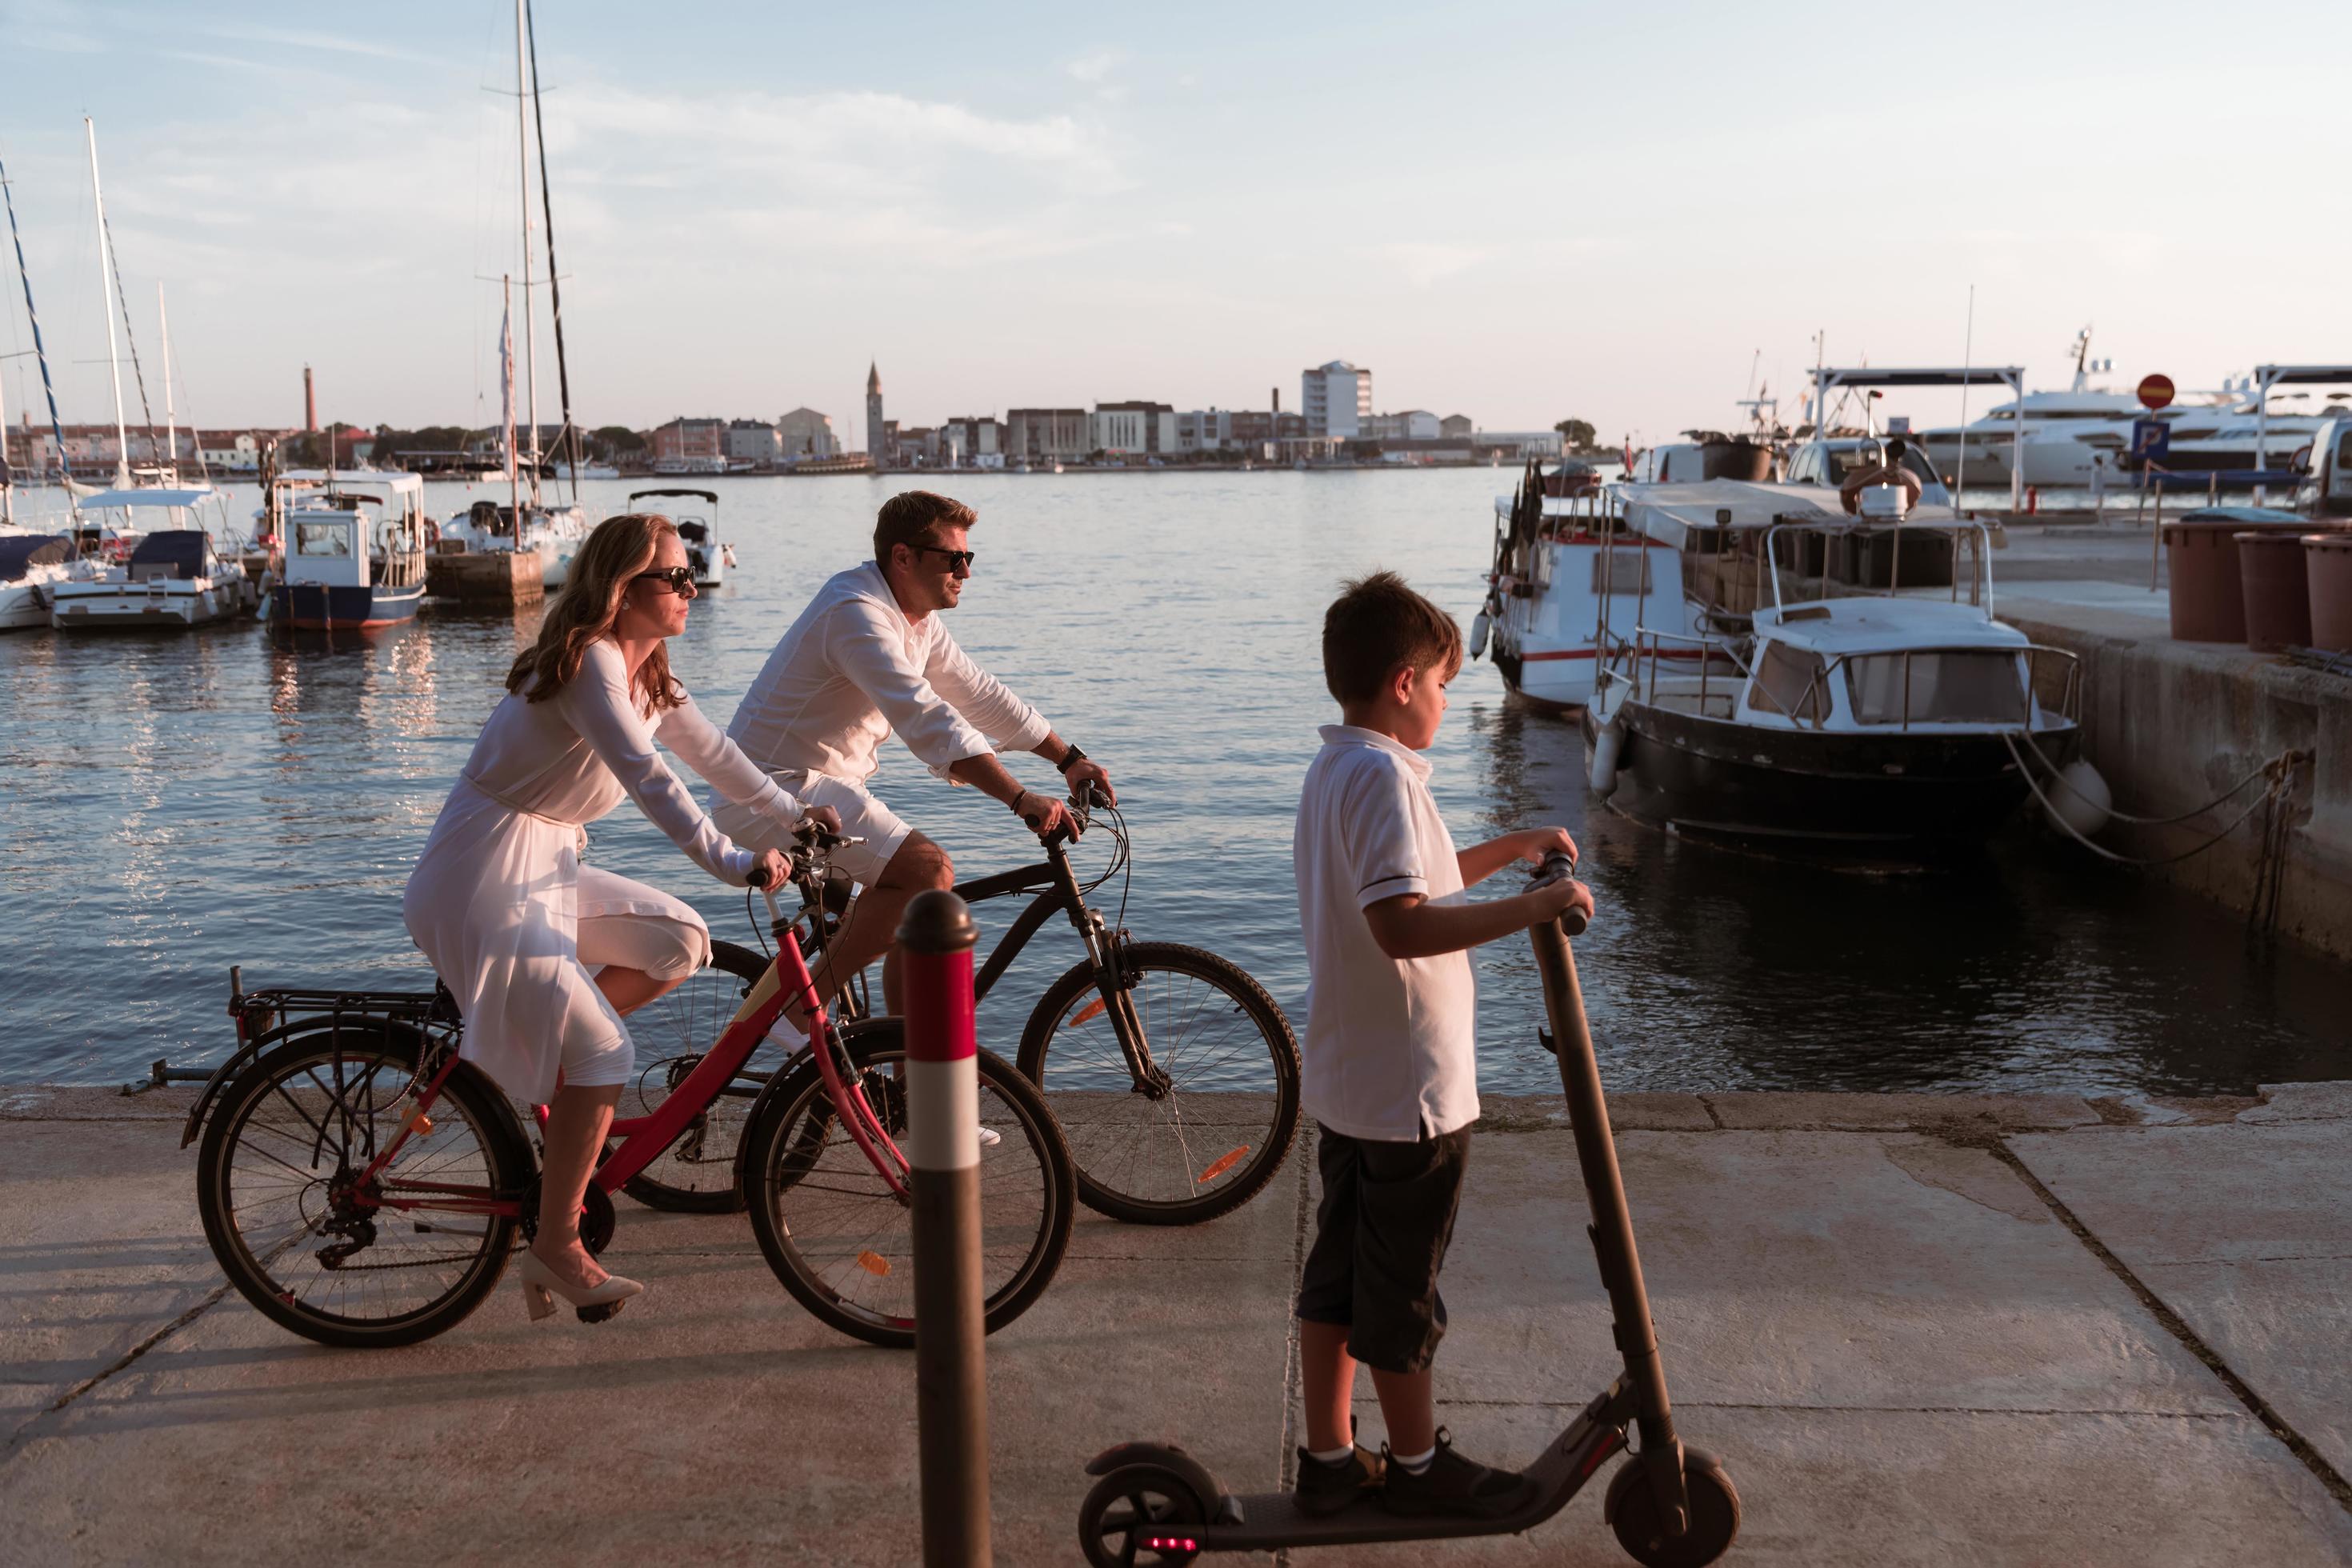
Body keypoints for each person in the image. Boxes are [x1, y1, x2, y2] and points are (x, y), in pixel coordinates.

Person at [402, 513, 834, 1323]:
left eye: (690, 571)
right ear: (619, 588)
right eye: (673, 576)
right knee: (607, 1050)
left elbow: (714, 756)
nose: (690, 587)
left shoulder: (646, 674)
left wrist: (796, 814)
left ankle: (554, 1066)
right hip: (482, 875)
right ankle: (555, 1244)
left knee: (682, 941)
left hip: (546, 866)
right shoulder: (591, 666)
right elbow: (653, 781)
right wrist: (733, 860)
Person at [1290, 570, 1594, 1518]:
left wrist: (1511, 849)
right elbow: (1402, 923)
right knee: (1401, 1291)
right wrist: (1537, 906)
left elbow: (1413, 879)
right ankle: (1420, 1469)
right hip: (1411, 1093)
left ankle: (1330, 1459)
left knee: (1337, 1276)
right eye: (1443, 681)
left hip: (1350, 1078)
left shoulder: (1340, 768)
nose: (1448, 697)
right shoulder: (1380, 776)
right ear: (1402, 682)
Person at [713, 490, 1114, 1018]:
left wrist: (1068, 759)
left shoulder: (916, 621)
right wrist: (1018, 797)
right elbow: (926, 717)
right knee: (928, 874)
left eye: (968, 558)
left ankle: (903, 1077)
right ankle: (796, 1016)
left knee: (916, 914)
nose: (966, 572)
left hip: (823, 793)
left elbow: (980, 693)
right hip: (772, 791)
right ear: (903, 557)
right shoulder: (856, 616)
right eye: (954, 558)